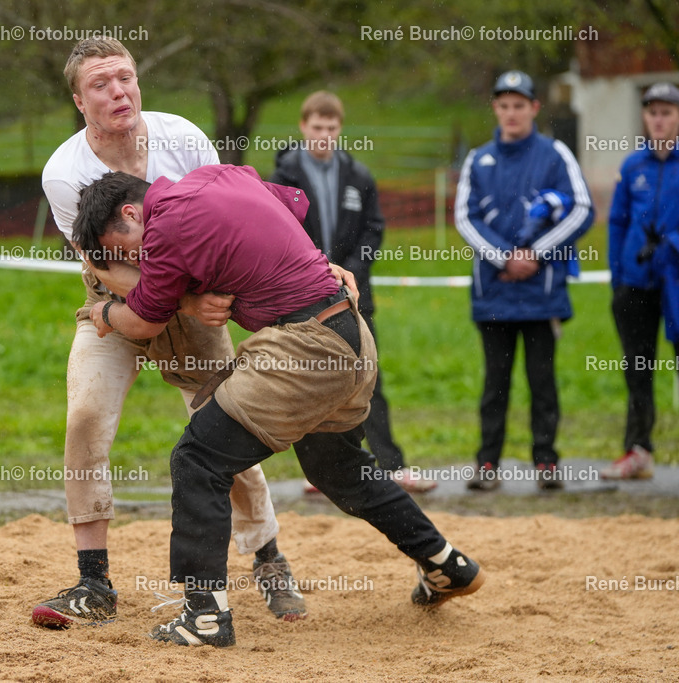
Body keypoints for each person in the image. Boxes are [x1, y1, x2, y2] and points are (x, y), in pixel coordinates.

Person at [73, 165, 485, 648]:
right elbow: (293, 205)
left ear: (130, 211)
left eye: (126, 247)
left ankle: (204, 617)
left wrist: (101, 311)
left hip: (305, 347)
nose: (135, 257)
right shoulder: (224, 175)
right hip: (351, 335)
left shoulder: (163, 226)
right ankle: (445, 564)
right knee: (340, 469)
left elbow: (143, 320)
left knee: (198, 458)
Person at [32, 37, 308, 628]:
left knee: (225, 432)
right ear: (80, 102)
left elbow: (234, 209)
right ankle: (93, 581)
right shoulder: (65, 172)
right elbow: (104, 265)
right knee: (84, 417)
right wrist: (183, 298)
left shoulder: (180, 136)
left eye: (125, 77)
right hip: (117, 306)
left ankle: (267, 558)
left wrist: (230, 294)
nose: (118, 91)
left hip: (197, 309)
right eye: (101, 84)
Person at [271, 90, 436, 494]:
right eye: (317, 127)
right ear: (303, 126)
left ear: (340, 129)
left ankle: (391, 464)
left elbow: (373, 229)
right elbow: (278, 231)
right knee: (311, 381)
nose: (324, 135)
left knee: (367, 378)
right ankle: (322, 472)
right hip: (302, 297)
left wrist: (352, 273)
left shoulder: (359, 176)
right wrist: (313, 271)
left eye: (331, 128)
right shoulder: (281, 178)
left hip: (354, 295)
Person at [454, 70, 594, 491]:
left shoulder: (555, 155)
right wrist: (503, 256)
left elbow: (582, 209)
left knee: (543, 383)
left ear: (534, 107)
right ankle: (487, 464)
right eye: (504, 105)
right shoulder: (477, 159)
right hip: (493, 294)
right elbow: (465, 216)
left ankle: (546, 462)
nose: (512, 112)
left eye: (520, 104)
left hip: (543, 295)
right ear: (495, 108)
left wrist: (535, 253)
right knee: (494, 383)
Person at [603, 81, 679, 479]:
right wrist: (619, 275)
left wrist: (672, 243)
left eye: (667, 112)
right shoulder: (633, 166)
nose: (659, 120)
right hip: (636, 284)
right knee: (638, 366)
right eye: (652, 112)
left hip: (677, 282)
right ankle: (638, 449)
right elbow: (617, 222)